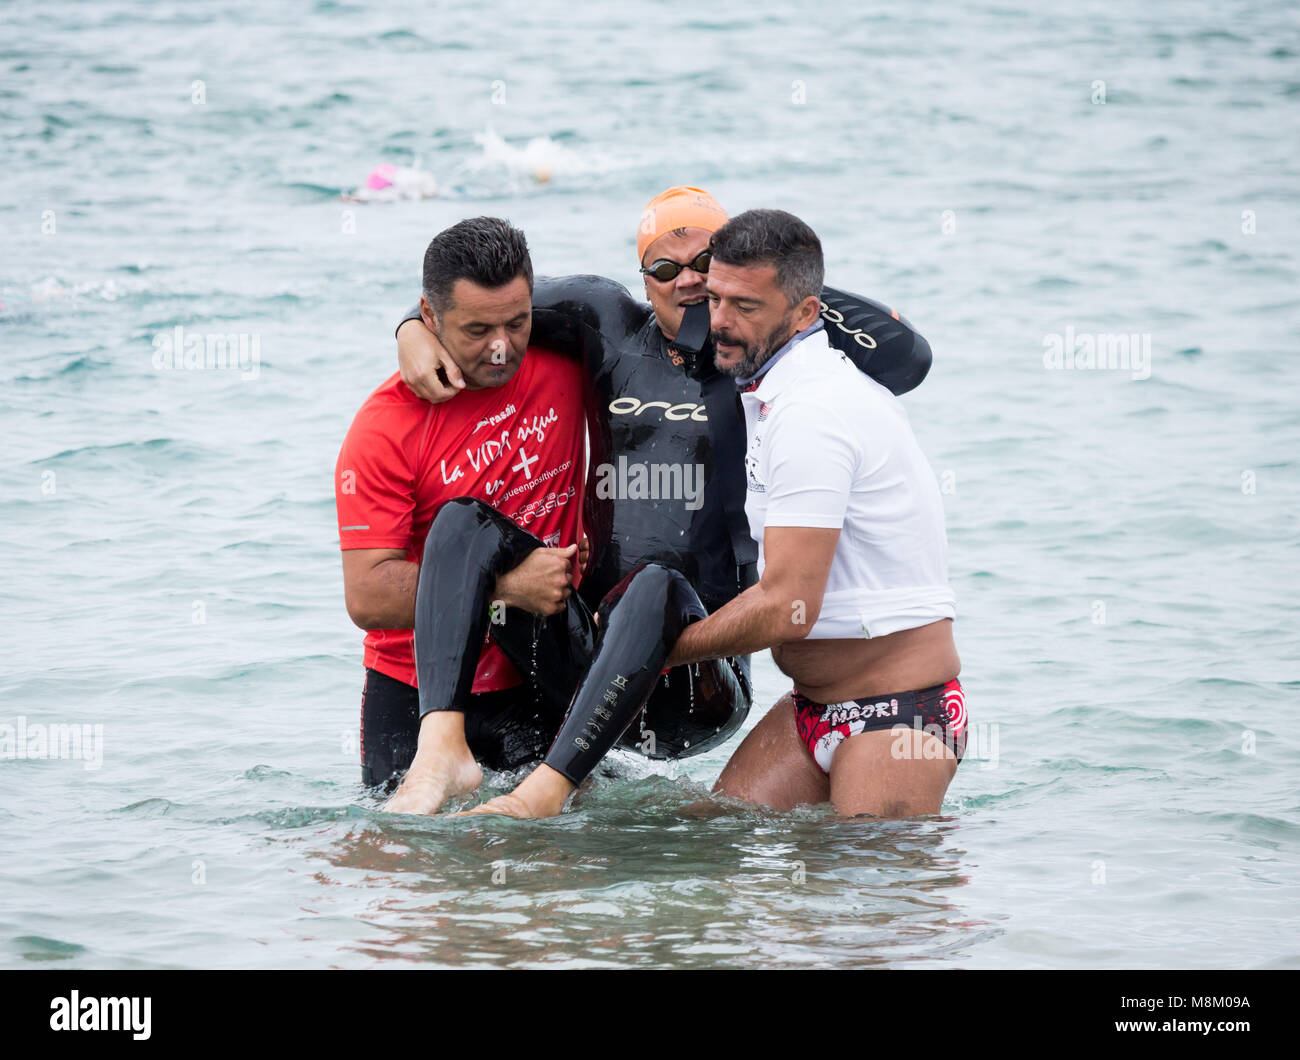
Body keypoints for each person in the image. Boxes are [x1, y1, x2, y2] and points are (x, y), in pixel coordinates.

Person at [388, 188, 938, 818]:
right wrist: (410, 325)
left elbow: (909, 358)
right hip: (589, 663)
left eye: (706, 264)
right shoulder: (606, 320)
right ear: (642, 276)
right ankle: (441, 750)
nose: (689, 283)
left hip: (697, 680)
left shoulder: (754, 359)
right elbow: (480, 299)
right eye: (666, 269)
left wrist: (771, 282)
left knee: (653, 586)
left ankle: (542, 793)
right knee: (463, 522)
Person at [663, 209, 967, 818]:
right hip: (812, 708)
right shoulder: (774, 389)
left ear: (805, 314)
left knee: (881, 907)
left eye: (745, 307)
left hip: (897, 713)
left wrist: (659, 652)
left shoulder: (814, 411)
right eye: (715, 299)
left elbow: (788, 607)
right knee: (703, 843)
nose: (719, 323)